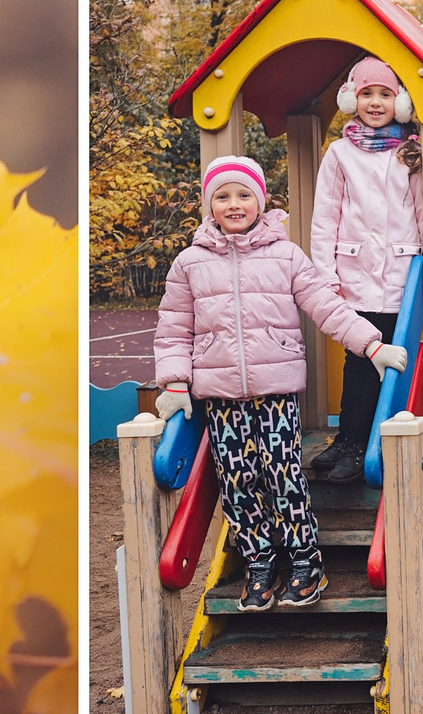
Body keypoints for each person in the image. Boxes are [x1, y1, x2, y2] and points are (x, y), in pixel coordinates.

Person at [155, 156, 407, 611]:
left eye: (244, 194)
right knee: (237, 481)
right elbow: (174, 328)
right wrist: (174, 383)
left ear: (261, 201)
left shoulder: (285, 254)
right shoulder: (189, 263)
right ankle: (259, 562)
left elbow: (327, 308)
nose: (235, 204)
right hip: (221, 397)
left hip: (275, 393)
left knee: (283, 474)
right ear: (208, 204)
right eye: (223, 196)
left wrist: (372, 345)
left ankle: (306, 560)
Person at [307, 57, 423, 482]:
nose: (376, 102)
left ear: (401, 102)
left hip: (400, 275)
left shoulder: (411, 151)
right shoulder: (340, 153)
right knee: (357, 358)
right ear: (351, 99)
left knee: (390, 359)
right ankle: (348, 440)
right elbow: (325, 218)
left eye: (385, 94)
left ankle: (367, 443)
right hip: (353, 274)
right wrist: (327, 277)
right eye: (366, 93)